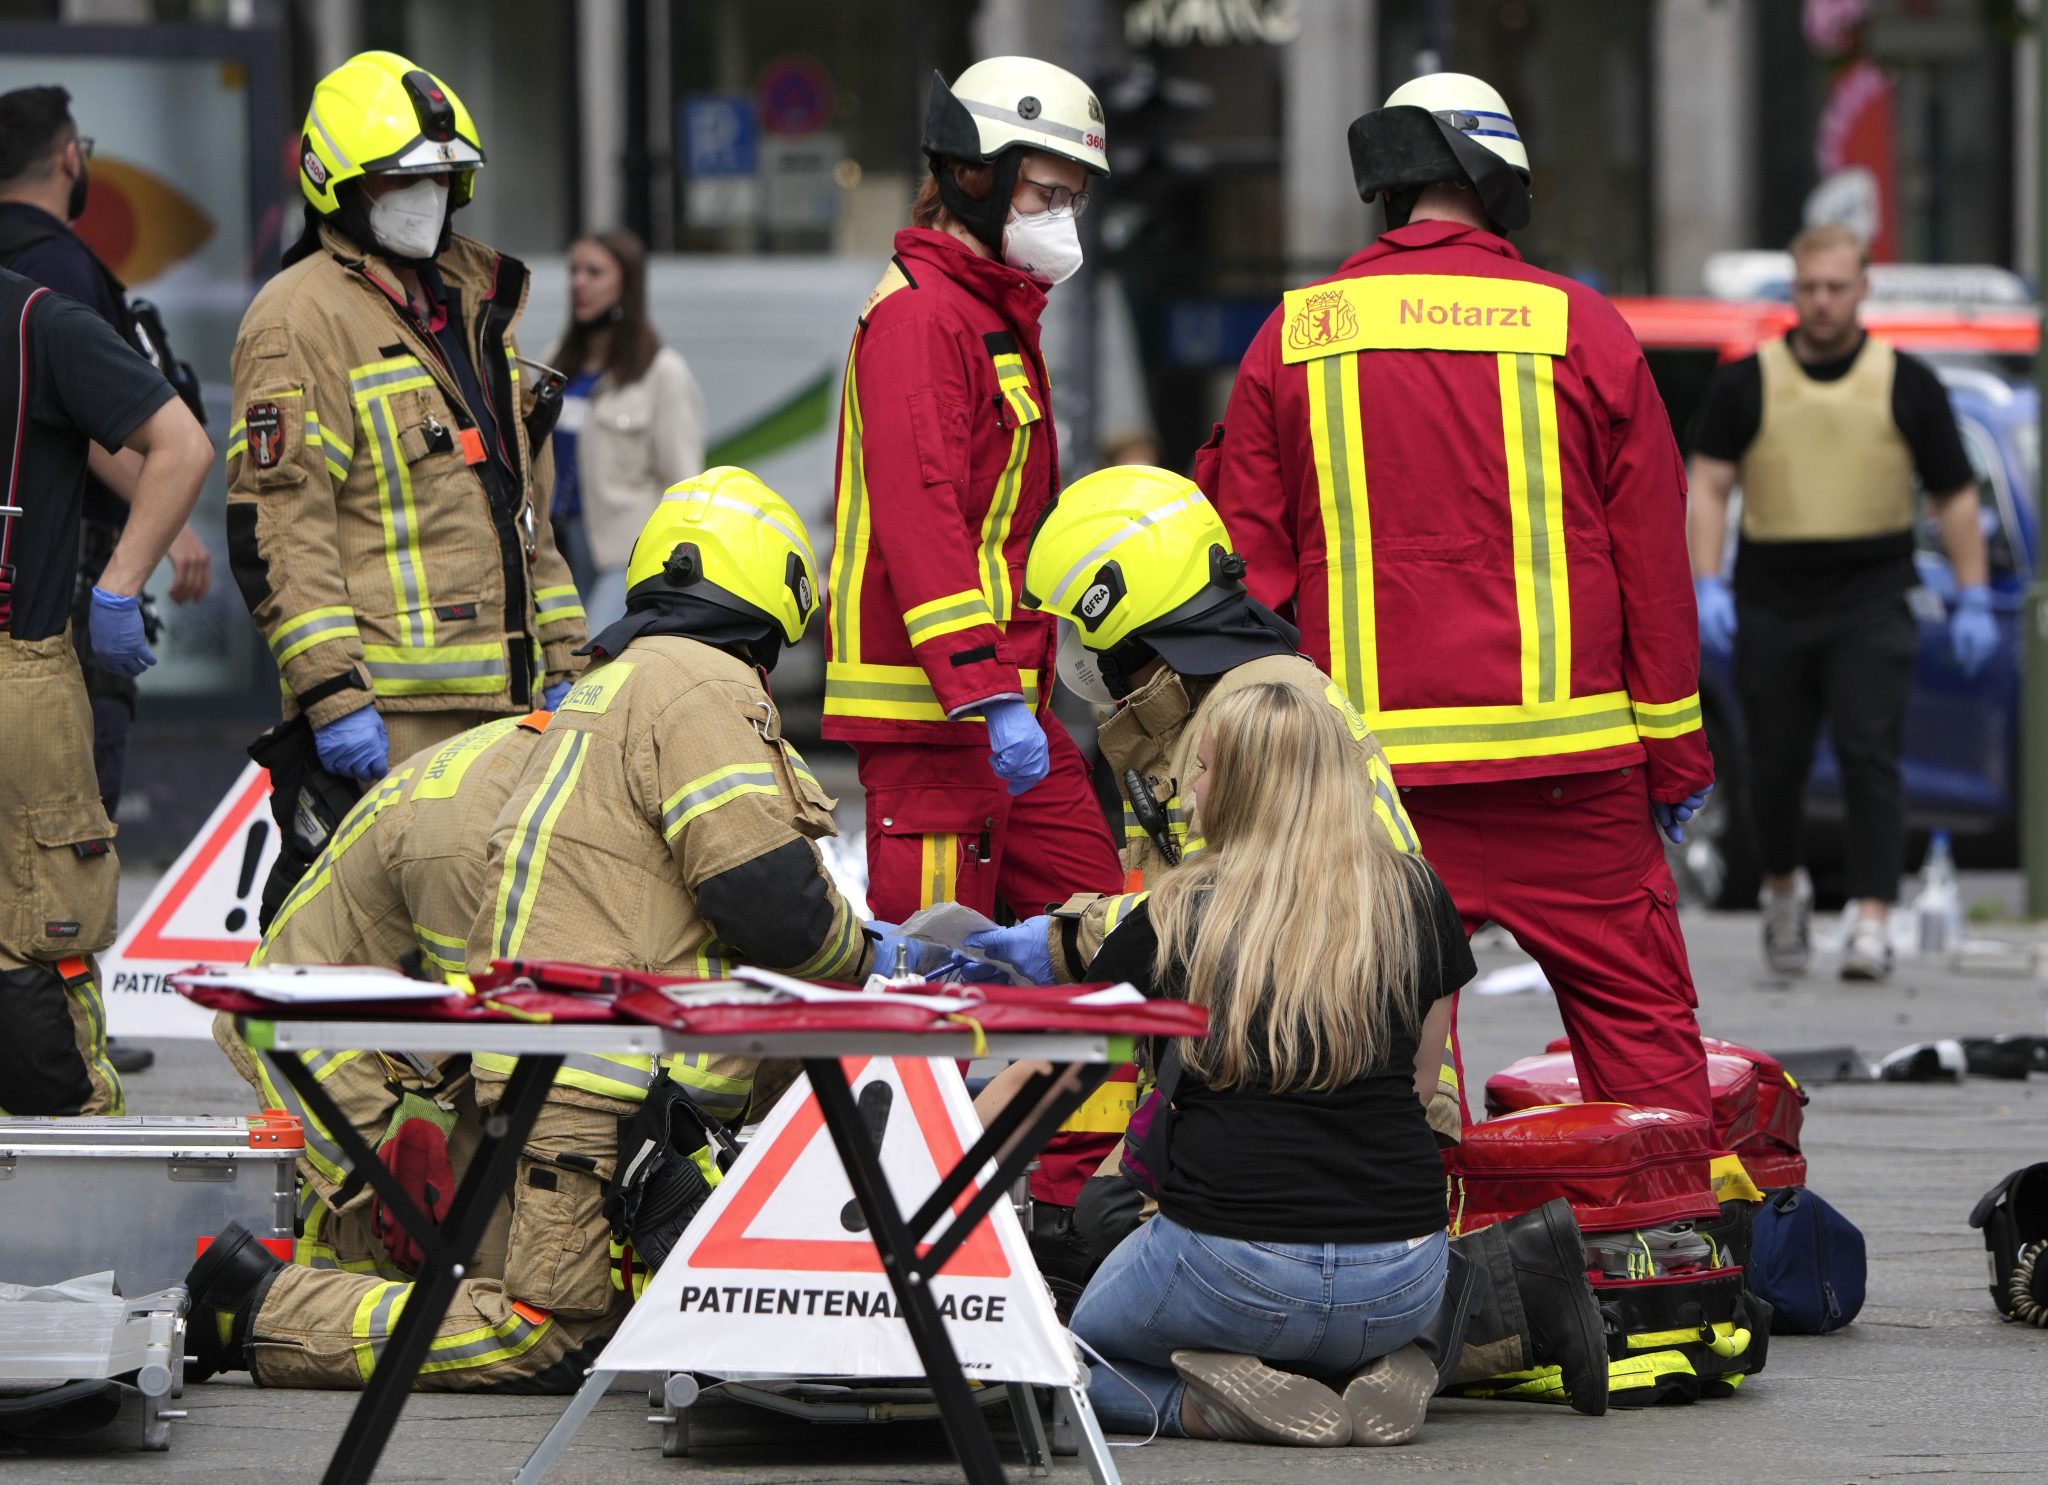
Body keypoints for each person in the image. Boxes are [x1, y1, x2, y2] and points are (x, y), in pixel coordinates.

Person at [183, 468, 875, 1393]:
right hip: (322, 1037)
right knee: (505, 1309)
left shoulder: (574, 753)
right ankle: (261, 1306)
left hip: (392, 1025)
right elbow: (505, 993)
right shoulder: (503, 813)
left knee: (523, 1272)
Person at [971, 467, 1612, 1418]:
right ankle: (1429, 1337)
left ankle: (1255, 1389)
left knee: (1072, 1332)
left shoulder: (1232, 722)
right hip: (1372, 1126)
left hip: (1280, 1083)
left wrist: (1037, 953)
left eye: (1081, 628)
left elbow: (1177, 934)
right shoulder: (1279, 709)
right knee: (1294, 1255)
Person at [1208, 72, 1716, 1128]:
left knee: (1366, 1051)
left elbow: (1248, 576)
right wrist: (1672, 756)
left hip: (1370, 785)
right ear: (1499, 178)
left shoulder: (1293, 336)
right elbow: (1653, 569)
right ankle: (1668, 1244)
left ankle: (1398, 1252)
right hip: (1569, 779)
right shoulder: (1579, 326)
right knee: (1641, 1045)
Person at [1066, 682, 1467, 1446]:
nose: (1186, 790)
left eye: (1206, 769)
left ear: (1248, 787)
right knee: (1350, 1309)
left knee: (1068, 1362)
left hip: (1232, 1266)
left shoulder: (1178, 912)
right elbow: (1423, 1081)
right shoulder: (1415, 894)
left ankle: (1202, 1407)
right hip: (1406, 1275)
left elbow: (1062, 1067)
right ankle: (1385, 1362)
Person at [225, 51, 587, 796]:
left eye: (436, 178)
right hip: (394, 720)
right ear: (342, 185)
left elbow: (524, 517)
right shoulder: (299, 318)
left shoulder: (471, 308)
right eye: (399, 178)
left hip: (513, 712)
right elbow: (282, 527)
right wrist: (335, 697)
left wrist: (568, 666)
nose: (422, 197)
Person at [820, 56, 1122, 927]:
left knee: (1096, 939)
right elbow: (923, 520)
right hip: (938, 718)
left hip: (1001, 704)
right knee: (939, 987)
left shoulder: (985, 312)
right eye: (1045, 195)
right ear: (974, 177)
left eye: (1074, 200)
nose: (1063, 219)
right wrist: (983, 692)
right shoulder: (923, 317)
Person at [1686, 221, 1991, 981]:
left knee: (1870, 754)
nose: (1822, 303)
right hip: (1771, 597)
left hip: (1872, 594)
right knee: (1776, 765)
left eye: (1836, 287)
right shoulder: (1747, 382)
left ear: (1862, 288)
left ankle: (1872, 918)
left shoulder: (1906, 382)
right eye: (1809, 288)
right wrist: (1709, 578)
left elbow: (1955, 494)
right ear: (1793, 290)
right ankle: (1784, 889)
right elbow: (1711, 482)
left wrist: (1977, 592)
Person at [210, 710, 554, 1276]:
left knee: (429, 1250)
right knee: (465, 1270)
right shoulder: (465, 842)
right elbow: (492, 1035)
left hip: (397, 1057)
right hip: (342, 1063)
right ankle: (264, 1311)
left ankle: (291, 1295)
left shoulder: (541, 759)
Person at [0, 263, 211, 1116]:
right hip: (21, 674)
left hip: (19, 676)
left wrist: (119, 584)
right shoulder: (35, 320)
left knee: (35, 951)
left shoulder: (36, 322)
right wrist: (118, 586)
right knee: (36, 953)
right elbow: (181, 443)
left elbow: (179, 446)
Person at [0, 85, 214, 817]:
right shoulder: (55, 270)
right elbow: (86, 417)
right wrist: (168, 521)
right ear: (68, 157)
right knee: (65, 849)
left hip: (25, 584)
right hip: (55, 596)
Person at [546, 228, 706, 633]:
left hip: (624, 555)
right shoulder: (555, 363)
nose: (579, 282)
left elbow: (685, 484)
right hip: (554, 552)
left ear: (626, 285)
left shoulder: (661, 373)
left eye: (594, 272)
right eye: (574, 270)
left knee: (593, 657)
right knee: (555, 663)